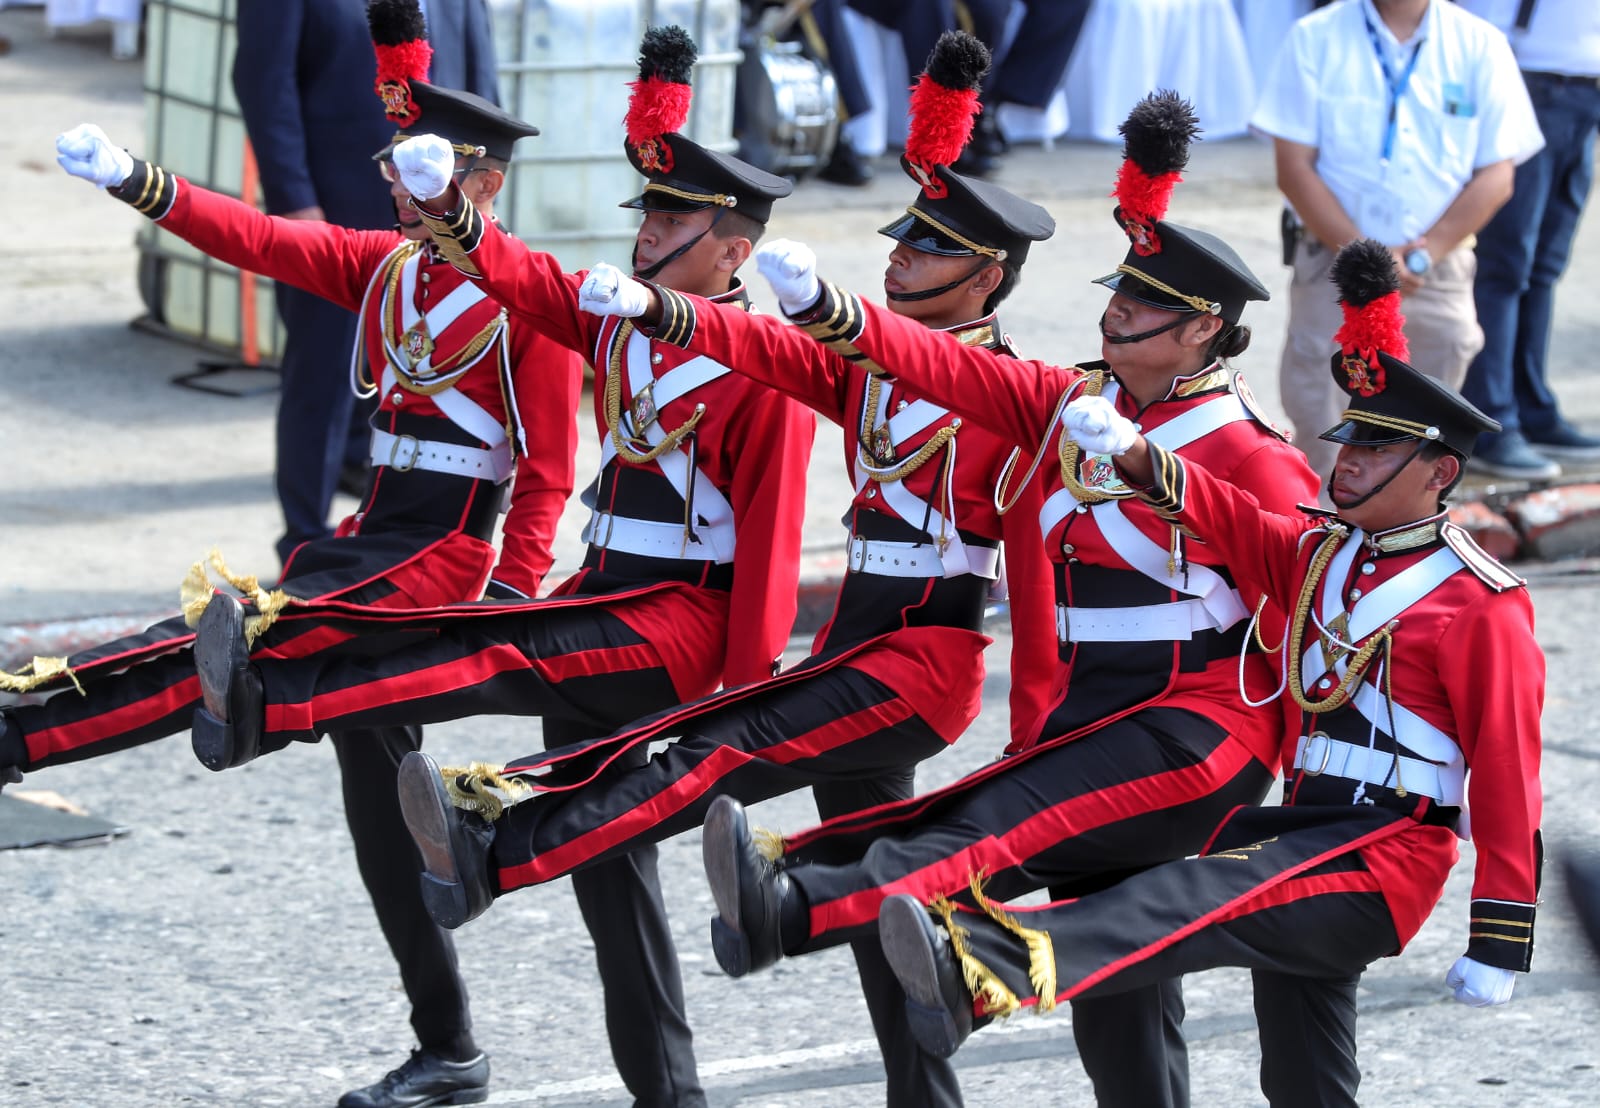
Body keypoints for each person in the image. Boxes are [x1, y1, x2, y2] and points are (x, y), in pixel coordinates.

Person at [395, 31, 1055, 1107]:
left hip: (919, 659)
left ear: (985, 275)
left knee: (686, 761)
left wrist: (1031, 745)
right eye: (898, 242)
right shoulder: (873, 373)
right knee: (875, 898)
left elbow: (1031, 588)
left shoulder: (1018, 403)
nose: (895, 261)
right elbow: (758, 343)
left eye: (925, 252)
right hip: (844, 648)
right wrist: (643, 300)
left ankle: (499, 841)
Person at [194, 26, 814, 1108]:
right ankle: (518, 1057)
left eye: (671, 220)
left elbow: (758, 548)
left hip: (661, 634)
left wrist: (732, 700)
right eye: (648, 213)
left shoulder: (759, 372)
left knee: (392, 685)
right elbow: (504, 269)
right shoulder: (617, 326)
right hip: (592, 607)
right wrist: (149, 190)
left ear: (733, 250)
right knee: (607, 884)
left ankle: (434, 810)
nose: (646, 235)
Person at [694, 92, 1323, 1108]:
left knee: (999, 828)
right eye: (1116, 292)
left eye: (1143, 304)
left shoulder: (1252, 452)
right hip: (1087, 709)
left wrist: (1286, 780)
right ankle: (818, 902)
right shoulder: (1074, 406)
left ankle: (797, 896)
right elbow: (946, 364)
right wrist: (828, 312)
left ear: (1204, 329)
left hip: (1184, 720)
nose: (1115, 311)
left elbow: (1303, 613)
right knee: (1116, 1012)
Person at [22, 5, 584, 1105]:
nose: (399, 186)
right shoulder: (386, 272)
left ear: (483, 185)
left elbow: (548, 472)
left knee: (238, 640)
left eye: (426, 169)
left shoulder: (527, 300)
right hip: (368, 540)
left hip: (436, 567)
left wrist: (505, 601)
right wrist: (140, 180)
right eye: (396, 165)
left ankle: (25, 724)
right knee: (381, 826)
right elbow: (264, 240)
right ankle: (452, 1049)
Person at [874, 239, 1543, 1108]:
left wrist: (1499, 934)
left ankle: (991, 967)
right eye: (1347, 444)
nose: (1346, 464)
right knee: (1305, 1077)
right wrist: (1137, 453)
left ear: (1440, 474)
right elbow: (1220, 510)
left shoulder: (1479, 605)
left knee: (1191, 891)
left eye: (1377, 456)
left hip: (1385, 853)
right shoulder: (1317, 555)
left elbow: (1508, 779)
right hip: (1298, 827)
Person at [233, 0, 501, 565]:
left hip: (447, 214)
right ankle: (303, 542)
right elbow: (264, 80)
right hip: (337, 207)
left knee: (431, 369)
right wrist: (296, 204)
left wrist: (482, 206)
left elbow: (482, 87)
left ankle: (391, 520)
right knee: (324, 373)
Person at [1251, 0, 1543, 481]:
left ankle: (1403, 546)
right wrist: (1366, 257)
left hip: (1434, 270)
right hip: (1333, 263)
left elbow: (1497, 174)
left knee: (1429, 433)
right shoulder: (1316, 35)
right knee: (1322, 419)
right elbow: (1294, 167)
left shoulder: (1480, 43)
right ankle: (1322, 546)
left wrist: (1428, 252)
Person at [1455, 0, 1600, 477]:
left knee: (1542, 266)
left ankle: (1530, 407)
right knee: (1505, 264)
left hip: (1581, 85)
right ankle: (1489, 417)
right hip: (1526, 75)